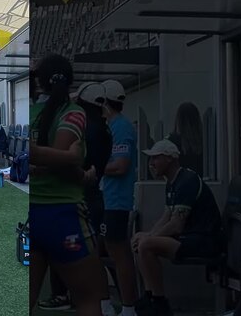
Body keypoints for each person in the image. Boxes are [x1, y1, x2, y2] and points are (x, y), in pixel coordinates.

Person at [30, 54, 106, 316]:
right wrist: (79, 170)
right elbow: (60, 160)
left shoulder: (30, 112)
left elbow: (42, 159)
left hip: (31, 216)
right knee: (88, 299)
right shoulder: (73, 113)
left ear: (40, 82)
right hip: (63, 215)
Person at [132, 139, 223, 316]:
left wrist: (149, 238)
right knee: (139, 240)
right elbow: (166, 216)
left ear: (170, 159)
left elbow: (176, 224)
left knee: (146, 245)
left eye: (155, 158)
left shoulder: (187, 181)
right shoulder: (172, 182)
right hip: (189, 237)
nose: (151, 164)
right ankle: (150, 296)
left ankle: (159, 304)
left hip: (204, 240)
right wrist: (147, 234)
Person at [99, 79, 139, 316]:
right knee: (103, 251)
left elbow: (121, 166)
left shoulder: (121, 127)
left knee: (119, 253)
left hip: (116, 201)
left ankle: (128, 307)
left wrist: (94, 165)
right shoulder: (113, 126)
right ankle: (108, 302)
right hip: (109, 199)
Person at [166, 102, 203, 177]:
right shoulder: (205, 141)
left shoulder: (171, 141)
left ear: (178, 119)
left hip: (180, 184)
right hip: (200, 183)